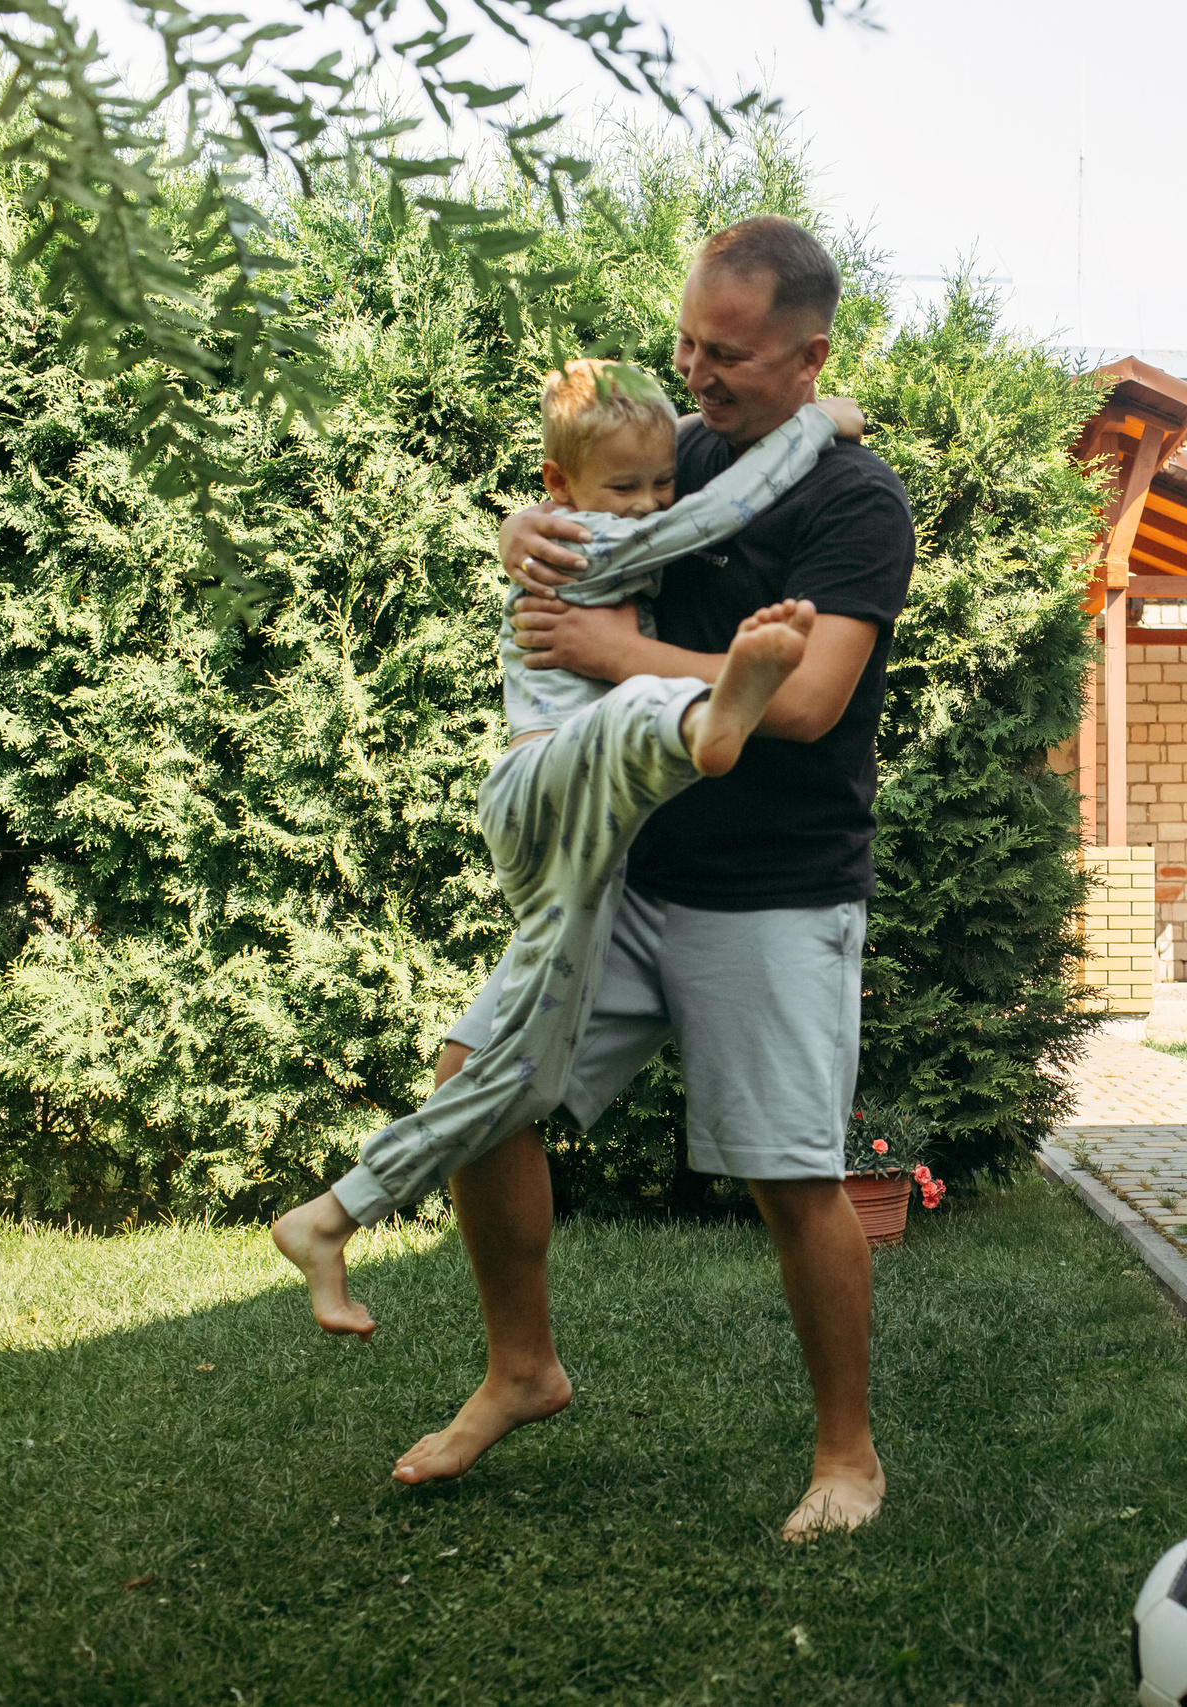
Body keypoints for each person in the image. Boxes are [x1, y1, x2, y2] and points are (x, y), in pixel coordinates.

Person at [427, 216, 914, 1542]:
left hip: (774, 887)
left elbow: (806, 700)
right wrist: (523, 530)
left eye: (729, 356)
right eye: (688, 342)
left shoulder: (855, 503)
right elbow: (568, 505)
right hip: (629, 867)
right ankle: (522, 1367)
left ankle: (848, 1453)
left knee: (791, 1176)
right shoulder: (678, 458)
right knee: (475, 1085)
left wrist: (609, 655)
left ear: (809, 357)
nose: (696, 373)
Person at [270, 357, 857, 1338]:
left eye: (659, 482)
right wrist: (816, 425)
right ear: (563, 487)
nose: (650, 503)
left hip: (593, 829)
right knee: (634, 701)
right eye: (626, 487)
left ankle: (330, 1217)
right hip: (541, 784)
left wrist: (527, 517)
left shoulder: (584, 510)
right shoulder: (586, 543)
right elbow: (718, 513)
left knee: (520, 1072)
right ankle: (707, 722)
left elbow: (660, 470)